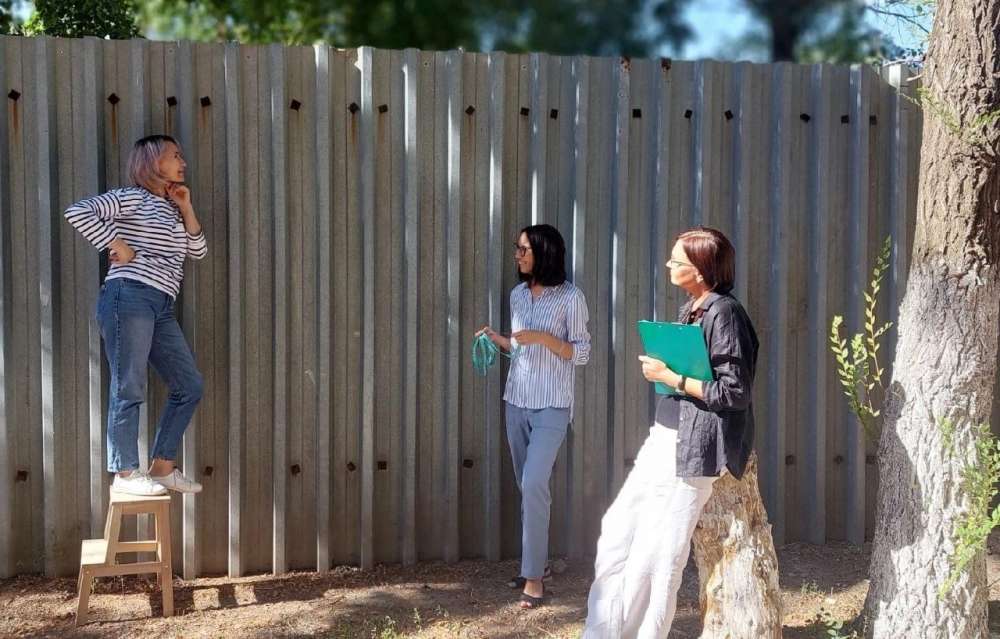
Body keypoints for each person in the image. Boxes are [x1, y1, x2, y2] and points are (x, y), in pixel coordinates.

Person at [583, 226, 758, 638]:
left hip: (695, 448)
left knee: (661, 557)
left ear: (700, 269)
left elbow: (735, 392)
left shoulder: (725, 314)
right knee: (617, 533)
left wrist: (672, 378)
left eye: (677, 260)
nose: (668, 265)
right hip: (664, 436)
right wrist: (666, 375)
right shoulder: (691, 308)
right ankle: (603, 631)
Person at [64, 134, 207, 497]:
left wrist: (186, 207)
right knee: (129, 384)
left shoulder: (172, 208)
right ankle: (125, 473)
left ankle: (162, 467)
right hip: (129, 295)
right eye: (175, 156)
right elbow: (77, 212)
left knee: (189, 385)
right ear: (153, 161)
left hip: (161, 305)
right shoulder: (133, 197)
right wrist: (116, 244)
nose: (183, 162)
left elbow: (198, 251)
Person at [476, 223, 591, 609]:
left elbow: (583, 353)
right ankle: (534, 566)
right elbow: (520, 347)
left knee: (535, 482)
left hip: (552, 405)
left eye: (524, 249)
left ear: (545, 253)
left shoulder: (571, 298)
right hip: (516, 401)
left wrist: (544, 338)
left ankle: (534, 582)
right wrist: (497, 339)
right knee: (528, 489)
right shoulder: (517, 295)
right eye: (517, 248)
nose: (518, 255)